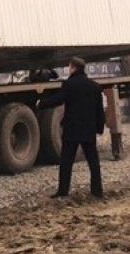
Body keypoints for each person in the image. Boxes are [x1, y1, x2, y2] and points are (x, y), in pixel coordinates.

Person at [38, 57, 105, 199]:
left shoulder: (69, 84)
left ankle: (63, 191)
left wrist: (41, 104)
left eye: (69, 67)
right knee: (93, 162)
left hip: (72, 130)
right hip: (88, 130)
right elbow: (99, 110)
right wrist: (99, 128)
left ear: (73, 68)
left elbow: (58, 100)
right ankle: (97, 191)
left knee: (66, 162)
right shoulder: (94, 86)